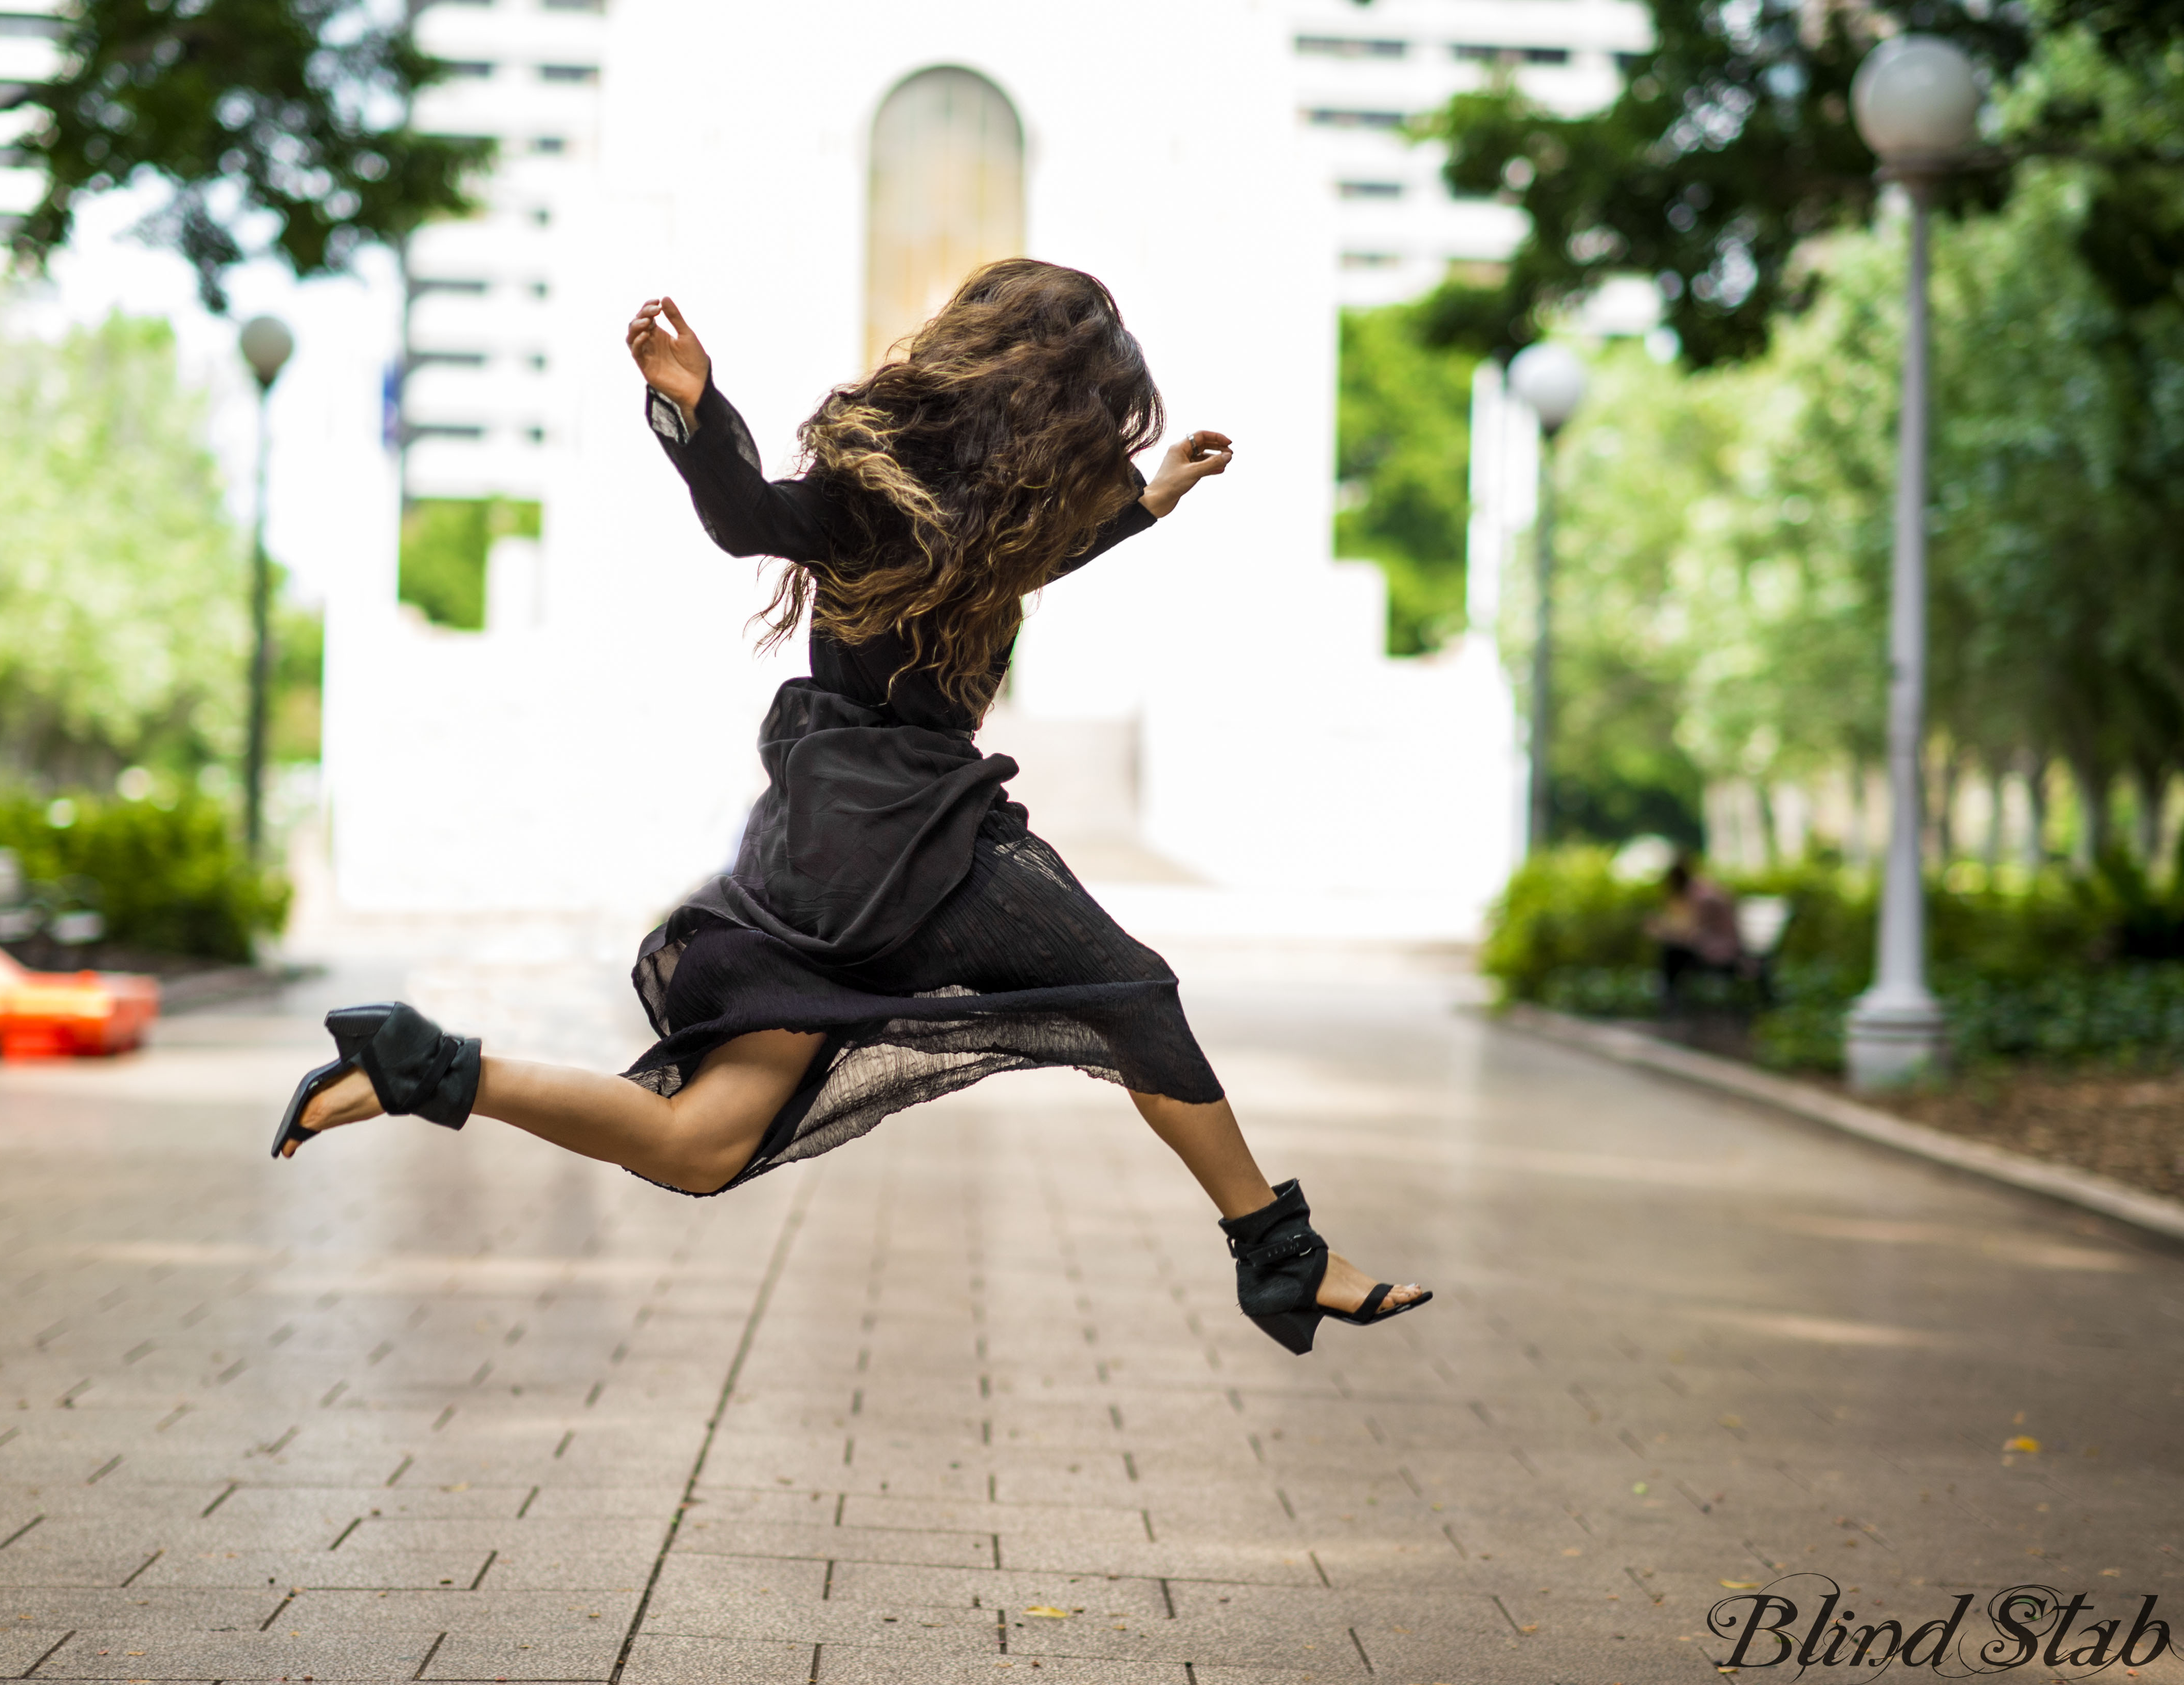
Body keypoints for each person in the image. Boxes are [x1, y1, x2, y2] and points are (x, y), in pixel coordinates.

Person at [271, 260, 1429, 1354]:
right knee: (1134, 991)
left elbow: (1020, 556)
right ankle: (1277, 1252)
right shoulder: (876, 495)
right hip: (901, 828)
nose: (1096, 445)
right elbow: (748, 520)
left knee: (698, 1145)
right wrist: (694, 408)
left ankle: (414, 1067)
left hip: (834, 843)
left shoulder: (982, 519)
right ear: (1045, 397)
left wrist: (1152, 499)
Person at [1648, 855, 1744, 1009]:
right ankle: (1670, 997)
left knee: (1672, 952)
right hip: (1716, 945)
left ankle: (1669, 999)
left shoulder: (1700, 896)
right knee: (1673, 951)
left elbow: (1691, 932)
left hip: (1722, 950)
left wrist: (1664, 930)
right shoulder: (1701, 889)